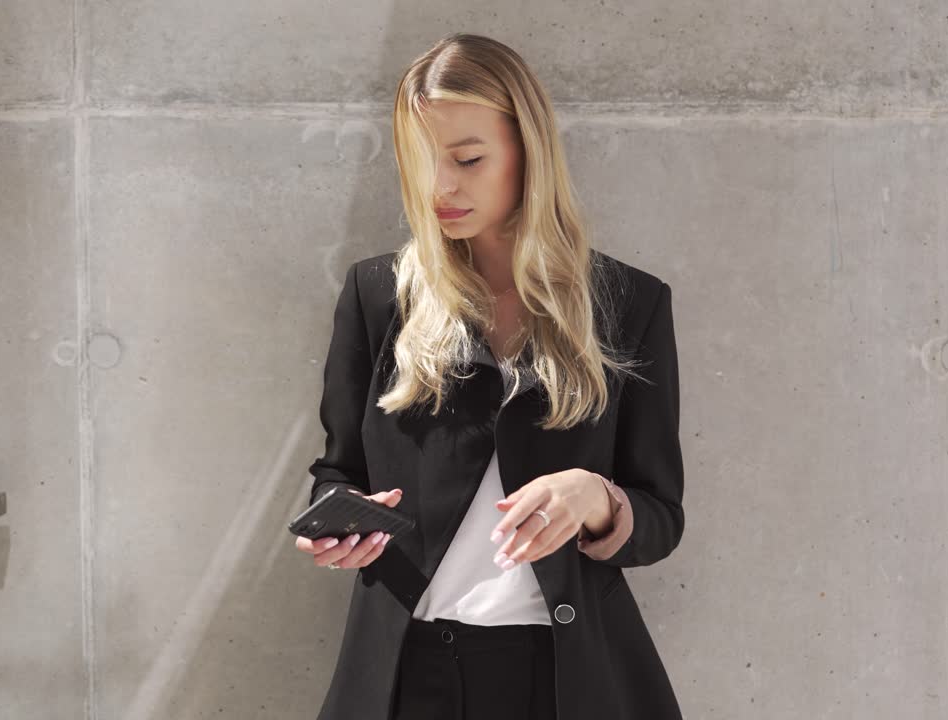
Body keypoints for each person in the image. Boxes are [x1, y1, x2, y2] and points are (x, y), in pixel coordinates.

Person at [293, 33, 686, 720]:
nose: (441, 186)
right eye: (421, 160)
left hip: (564, 681)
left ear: (526, 152)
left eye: (468, 159)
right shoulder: (379, 296)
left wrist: (594, 497)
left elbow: (660, 517)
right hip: (406, 675)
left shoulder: (627, 305)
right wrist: (334, 526)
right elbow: (338, 471)